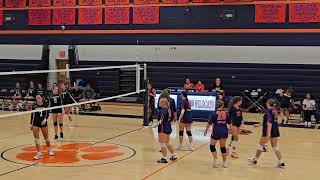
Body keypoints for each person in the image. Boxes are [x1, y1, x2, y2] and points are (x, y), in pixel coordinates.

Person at [248, 99, 286, 168]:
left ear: (268, 103)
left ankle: (254, 160)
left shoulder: (268, 112)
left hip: (268, 131)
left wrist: (268, 134)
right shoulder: (275, 111)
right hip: (275, 130)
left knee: (260, 145)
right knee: (275, 147)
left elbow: (269, 123)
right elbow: (274, 121)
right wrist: (258, 125)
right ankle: (281, 162)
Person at [204, 100, 229, 168]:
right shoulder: (226, 113)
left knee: (212, 146)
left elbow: (209, 123)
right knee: (223, 147)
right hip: (224, 131)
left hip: (216, 132)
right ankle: (224, 163)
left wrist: (206, 130)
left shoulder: (213, 113)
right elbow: (230, 123)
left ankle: (216, 161)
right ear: (222, 105)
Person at [30, 95, 54, 160]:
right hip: (35, 123)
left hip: (43, 123)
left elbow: (47, 114)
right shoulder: (34, 105)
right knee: (36, 139)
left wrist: (45, 119)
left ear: (41, 98)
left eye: (39, 98)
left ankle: (49, 149)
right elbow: (32, 115)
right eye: (36, 98)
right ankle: (39, 153)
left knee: (46, 138)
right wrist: (31, 124)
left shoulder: (45, 105)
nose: (38, 99)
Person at [157, 98, 177, 163]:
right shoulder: (169, 110)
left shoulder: (162, 111)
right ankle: (174, 155)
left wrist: (153, 125)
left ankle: (164, 158)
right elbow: (171, 119)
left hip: (162, 128)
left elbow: (161, 120)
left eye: (159, 102)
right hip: (168, 126)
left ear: (163, 103)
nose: (159, 103)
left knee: (162, 143)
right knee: (167, 143)